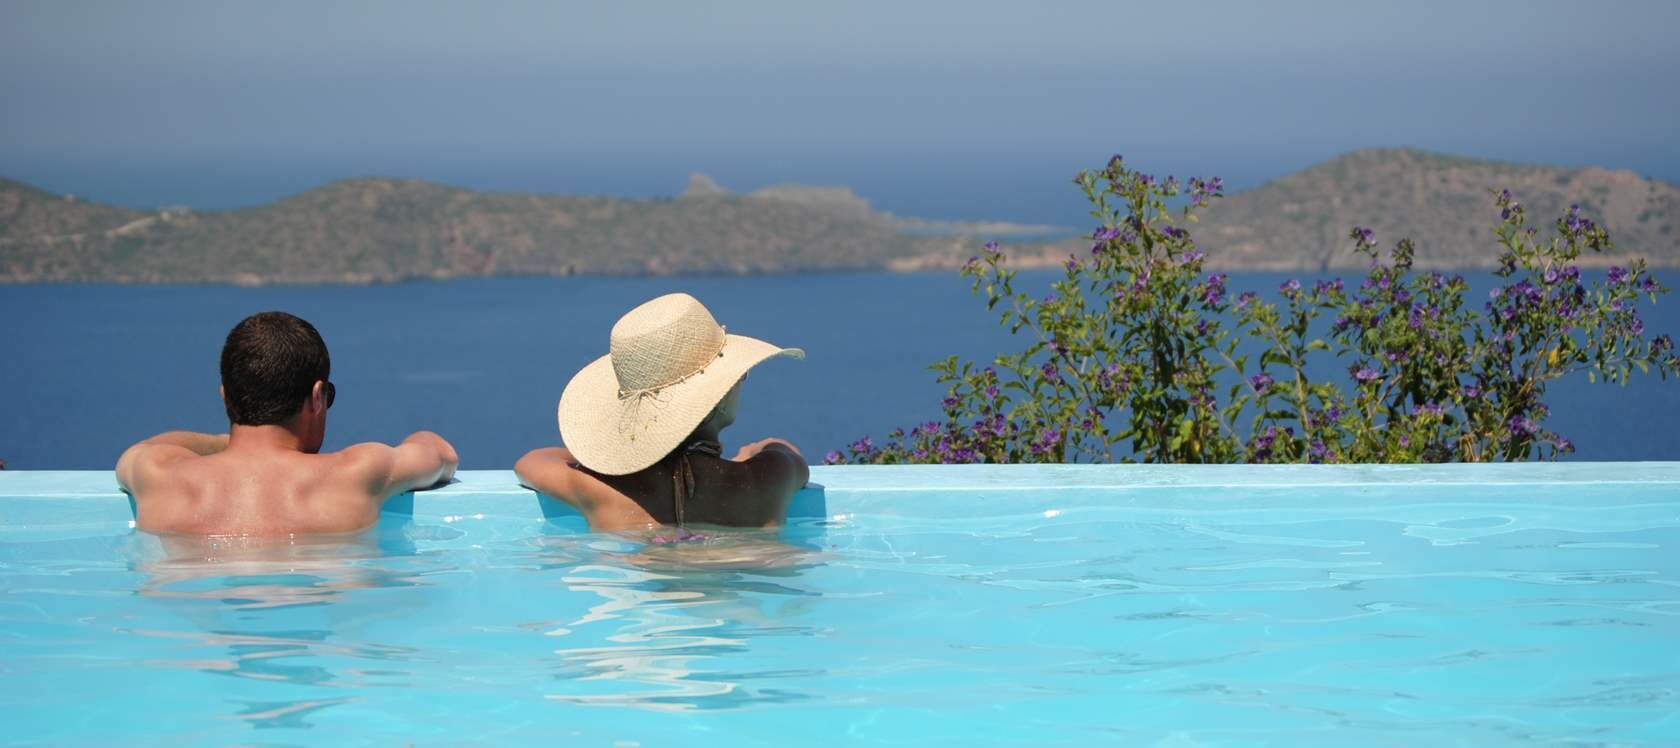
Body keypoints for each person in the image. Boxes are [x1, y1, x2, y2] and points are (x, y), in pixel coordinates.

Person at [116, 311, 458, 535]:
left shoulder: (159, 476)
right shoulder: (360, 472)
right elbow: (440, 453)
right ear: (317, 396)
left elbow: (150, 446)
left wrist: (231, 443)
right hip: (331, 633)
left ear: (225, 396)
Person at [516, 292, 809, 533]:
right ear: (718, 397)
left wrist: (606, 462)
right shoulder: (769, 479)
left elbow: (530, 463)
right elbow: (786, 452)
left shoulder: (598, 491)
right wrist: (751, 454)